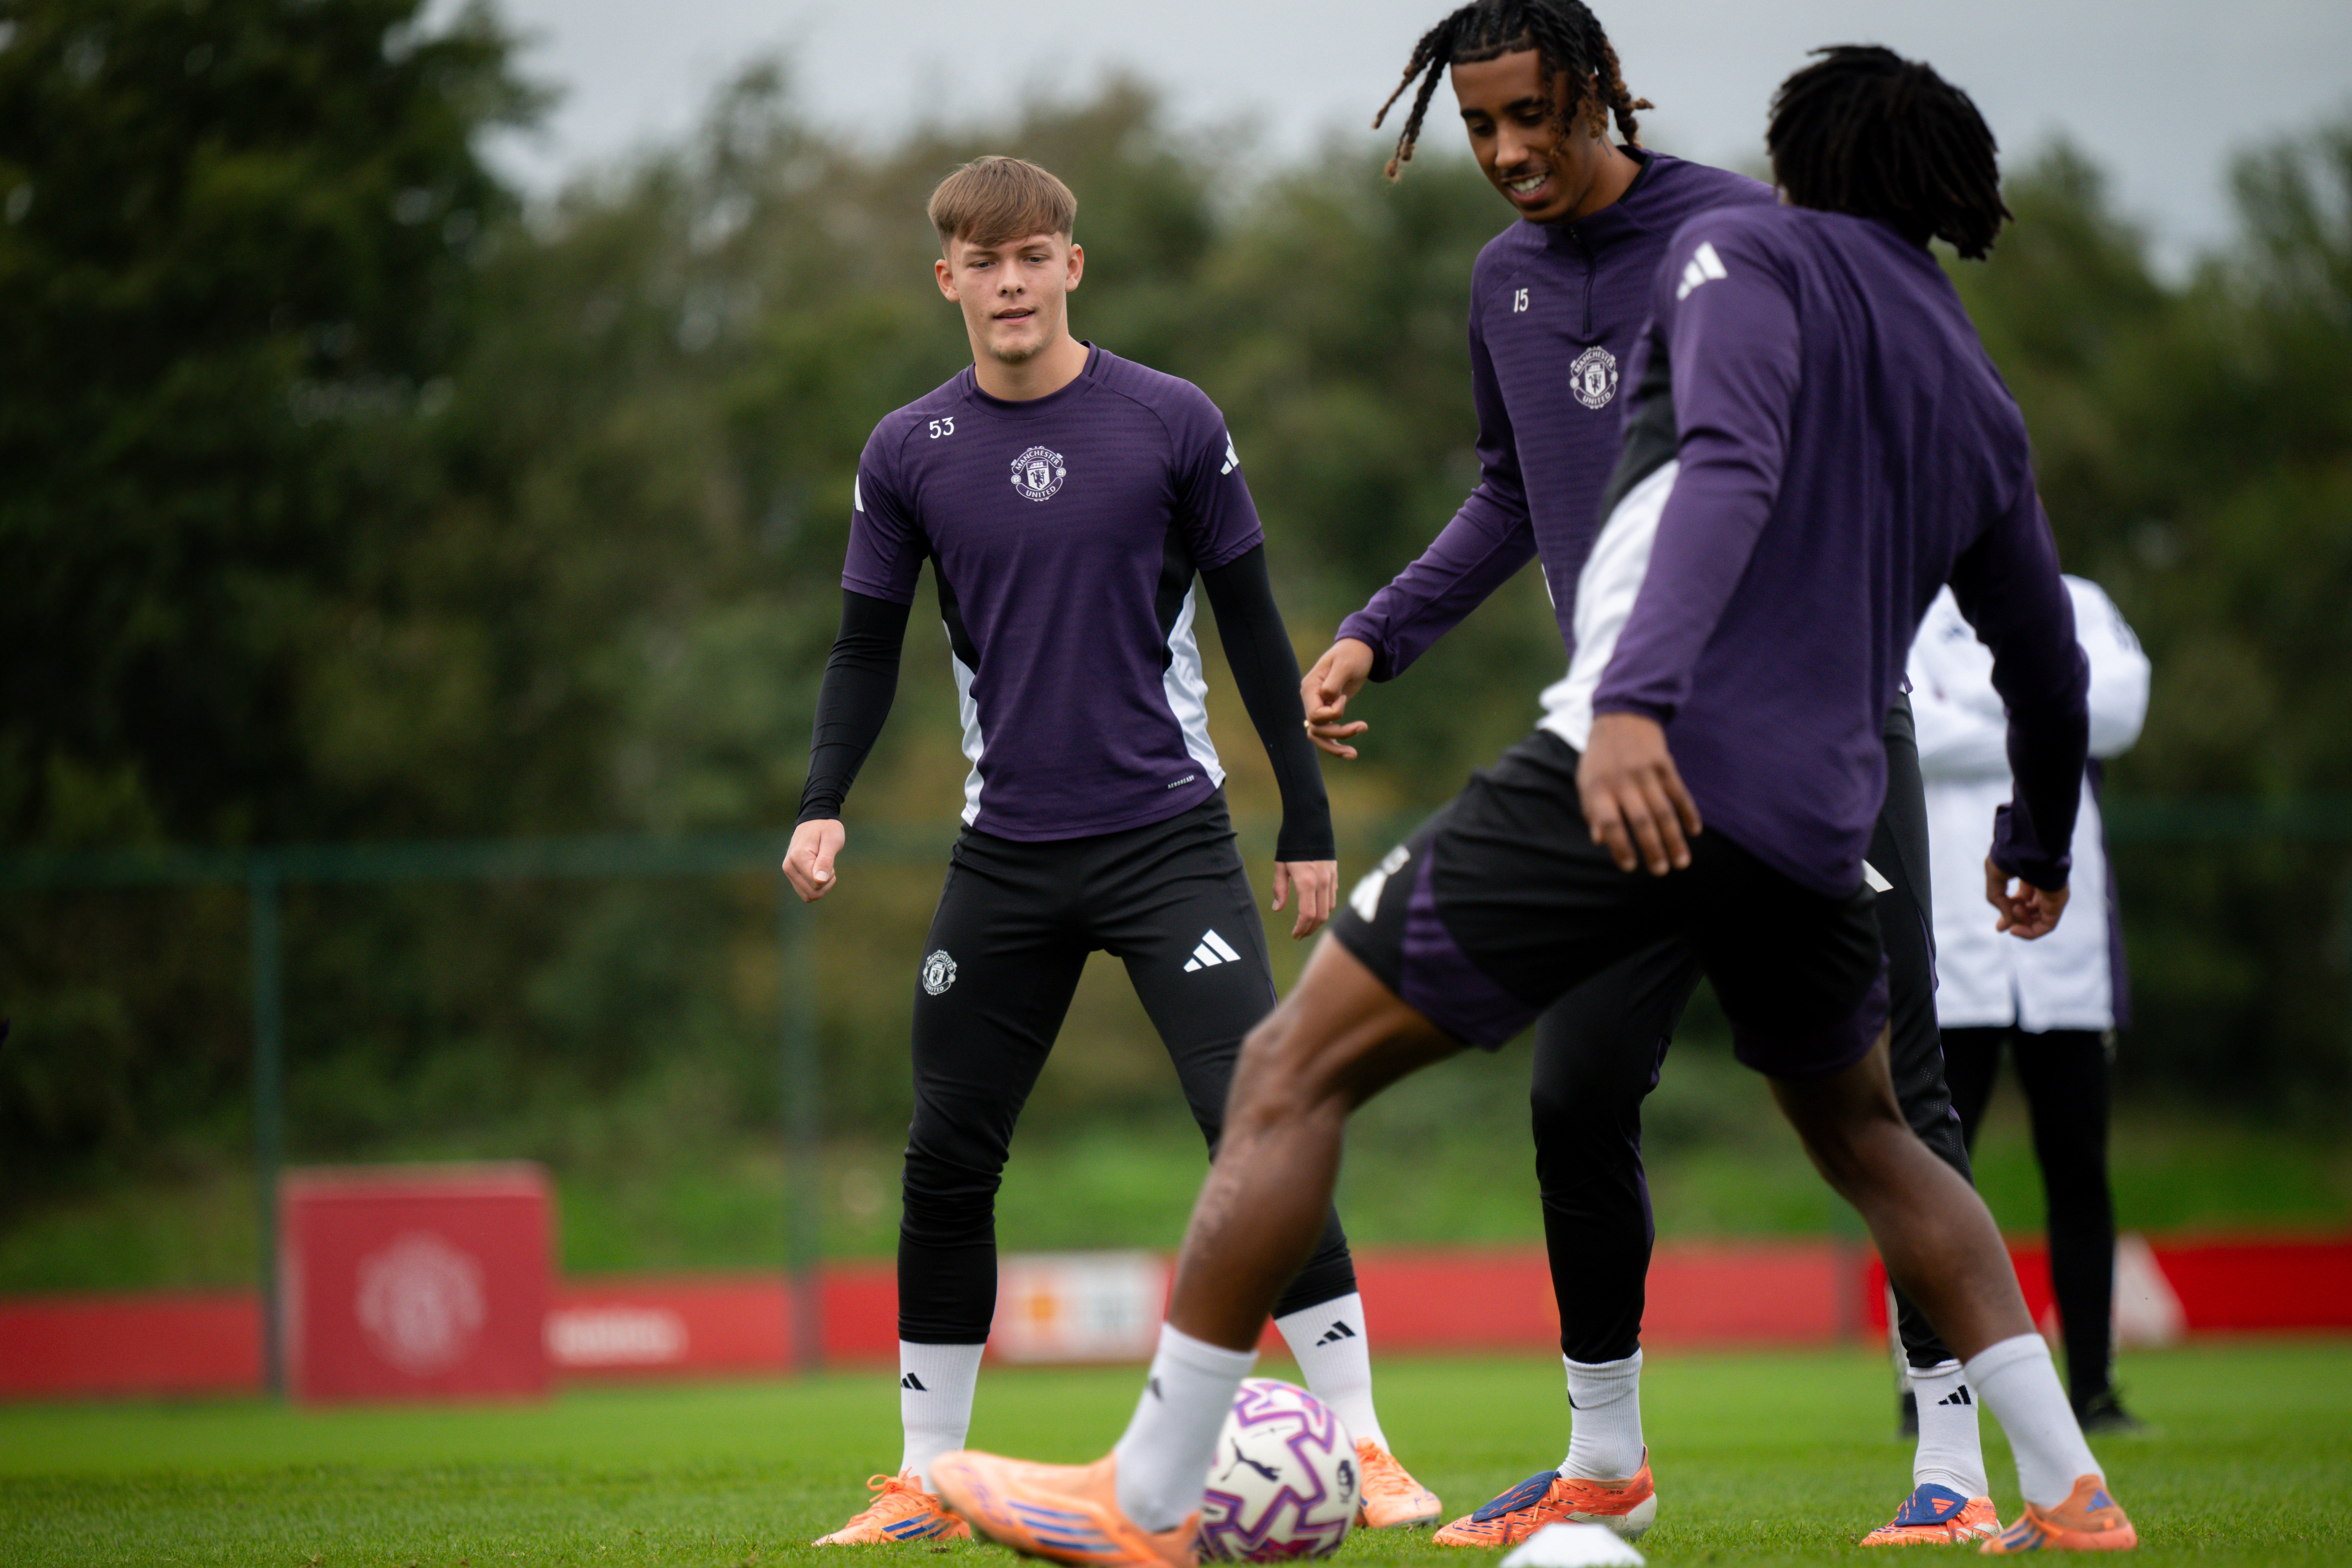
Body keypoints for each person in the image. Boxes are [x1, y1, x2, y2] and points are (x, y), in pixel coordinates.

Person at [930, 46, 2139, 1561]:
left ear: (1800, 166)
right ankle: (2071, 1489)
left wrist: (1632, 709)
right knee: (1877, 1137)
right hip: (1821, 814)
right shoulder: (1968, 379)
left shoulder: (1734, 247)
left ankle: (1152, 1499)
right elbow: (2042, 645)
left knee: (1289, 1067)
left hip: (1637, 756)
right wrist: (2033, 835)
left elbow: (1727, 468)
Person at [1298, 0, 1992, 1545]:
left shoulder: (1749, 235)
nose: (1509, 152)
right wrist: (1377, 635)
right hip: (1618, 763)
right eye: (1479, 127)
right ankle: (1604, 1458)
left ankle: (1956, 1467)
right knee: (1578, 1086)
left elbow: (1860, 443)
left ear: (1600, 90)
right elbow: (1510, 489)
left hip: (1810, 733)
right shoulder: (1503, 284)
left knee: (1902, 1094)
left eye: (1534, 113)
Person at [785, 156, 1437, 1546]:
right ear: (945, 277)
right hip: (1004, 854)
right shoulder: (908, 449)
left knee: (1262, 1123)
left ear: (1074, 265)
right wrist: (822, 794)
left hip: (1169, 845)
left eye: (1034, 256)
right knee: (947, 1155)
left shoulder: (1172, 421)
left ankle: (1369, 1448)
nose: (1010, 282)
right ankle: (924, 1475)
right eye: (982, 258)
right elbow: (862, 646)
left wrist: (1305, 823)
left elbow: (1258, 629)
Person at [1911, 575, 2151, 1433]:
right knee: (1931, 1174)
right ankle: (1929, 1389)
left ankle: (2094, 1388)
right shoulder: (1903, 598)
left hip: (2065, 947)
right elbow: (1903, 732)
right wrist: (2043, 723)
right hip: (1949, 943)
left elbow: (2123, 711)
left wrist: (1978, 717)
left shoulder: (2079, 599)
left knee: (2080, 1169)